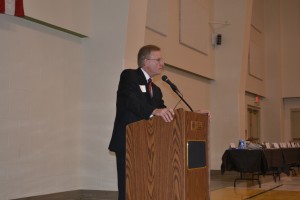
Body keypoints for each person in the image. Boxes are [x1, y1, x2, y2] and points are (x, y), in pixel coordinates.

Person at [108, 45, 175, 200]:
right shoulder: (129, 76)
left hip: (149, 145)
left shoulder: (156, 89)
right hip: (128, 142)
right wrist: (154, 111)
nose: (162, 63)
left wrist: (191, 114)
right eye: (158, 59)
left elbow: (163, 110)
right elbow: (131, 100)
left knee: (147, 188)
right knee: (129, 188)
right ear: (146, 61)